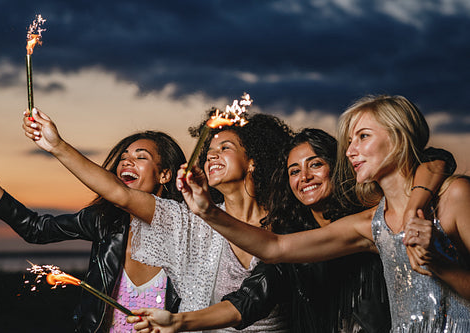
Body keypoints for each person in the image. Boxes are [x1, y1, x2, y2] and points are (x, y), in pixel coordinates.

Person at [172, 95, 470, 332]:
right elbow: (276, 248)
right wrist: (207, 211)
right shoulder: (370, 224)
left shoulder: (453, 196)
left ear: (399, 136)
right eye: (350, 141)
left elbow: (435, 159)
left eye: (363, 137)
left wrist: (439, 264)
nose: (350, 151)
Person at [22, 107, 293, 332]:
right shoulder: (190, 220)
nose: (211, 154)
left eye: (225, 147)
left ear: (253, 161)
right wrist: (57, 146)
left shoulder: (284, 229)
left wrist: (178, 321)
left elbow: (245, 305)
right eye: (209, 149)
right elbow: (121, 194)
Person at [0, 127, 186, 332]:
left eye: (141, 157)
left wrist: (57, 145)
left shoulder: (186, 226)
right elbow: (36, 229)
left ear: (165, 175)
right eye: (123, 157)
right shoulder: (104, 221)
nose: (126, 161)